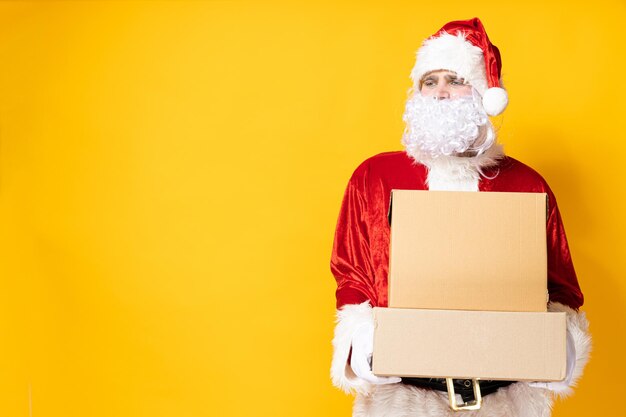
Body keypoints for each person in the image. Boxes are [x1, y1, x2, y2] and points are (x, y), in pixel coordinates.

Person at [329, 17, 591, 417]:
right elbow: (352, 272)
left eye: (454, 79)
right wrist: (357, 334)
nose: (440, 92)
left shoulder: (526, 184)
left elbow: (561, 287)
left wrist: (561, 343)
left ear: (484, 95)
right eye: (429, 82)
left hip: (504, 399)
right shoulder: (375, 177)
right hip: (404, 397)